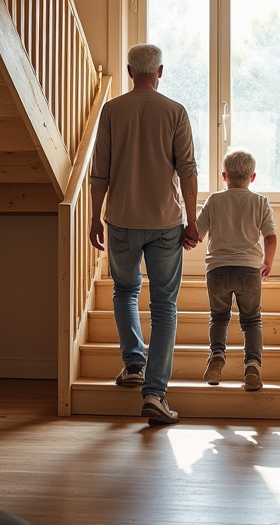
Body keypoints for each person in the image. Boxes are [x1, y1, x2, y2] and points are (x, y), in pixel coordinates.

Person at [89, 43, 199, 426]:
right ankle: (154, 394)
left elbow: (98, 171)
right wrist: (192, 219)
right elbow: (187, 170)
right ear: (160, 71)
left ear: (130, 70)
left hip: (120, 219)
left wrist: (93, 216)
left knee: (124, 291)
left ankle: (133, 364)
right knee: (165, 306)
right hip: (166, 222)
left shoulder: (111, 110)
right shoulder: (175, 112)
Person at [194, 148, 277, 391]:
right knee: (251, 320)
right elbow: (270, 238)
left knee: (219, 316)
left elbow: (198, 234)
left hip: (217, 269)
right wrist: (268, 262)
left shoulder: (214, 200)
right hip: (249, 269)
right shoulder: (260, 202)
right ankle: (252, 365)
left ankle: (217, 355)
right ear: (252, 177)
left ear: (224, 175)